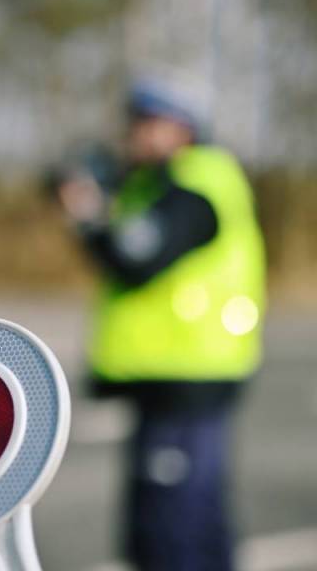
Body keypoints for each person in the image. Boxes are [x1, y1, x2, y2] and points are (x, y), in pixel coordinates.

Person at [56, 72, 266, 571]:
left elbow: (136, 258)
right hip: (174, 380)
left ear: (181, 128)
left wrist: (88, 214)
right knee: (191, 524)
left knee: (172, 533)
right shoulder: (159, 185)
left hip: (186, 380)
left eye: (147, 122)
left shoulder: (196, 187)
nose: (135, 134)